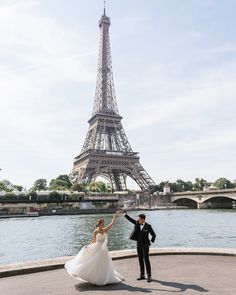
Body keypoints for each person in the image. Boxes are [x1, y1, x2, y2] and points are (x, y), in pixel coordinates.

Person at [65, 211, 124, 286]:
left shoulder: (105, 229)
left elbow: (112, 223)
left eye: (103, 223)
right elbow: (94, 241)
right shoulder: (95, 232)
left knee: (105, 264)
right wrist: (88, 246)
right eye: (102, 223)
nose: (103, 224)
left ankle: (104, 277)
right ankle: (96, 279)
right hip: (98, 248)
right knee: (96, 264)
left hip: (104, 249)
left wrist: (115, 215)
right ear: (99, 224)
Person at [123, 211, 156, 282]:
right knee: (140, 259)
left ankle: (149, 276)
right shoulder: (137, 223)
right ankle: (142, 275)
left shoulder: (148, 226)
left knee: (146, 260)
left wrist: (150, 242)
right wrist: (125, 214)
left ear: (143, 219)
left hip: (145, 245)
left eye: (139, 219)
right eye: (138, 219)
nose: (138, 220)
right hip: (138, 245)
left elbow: (154, 235)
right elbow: (131, 220)